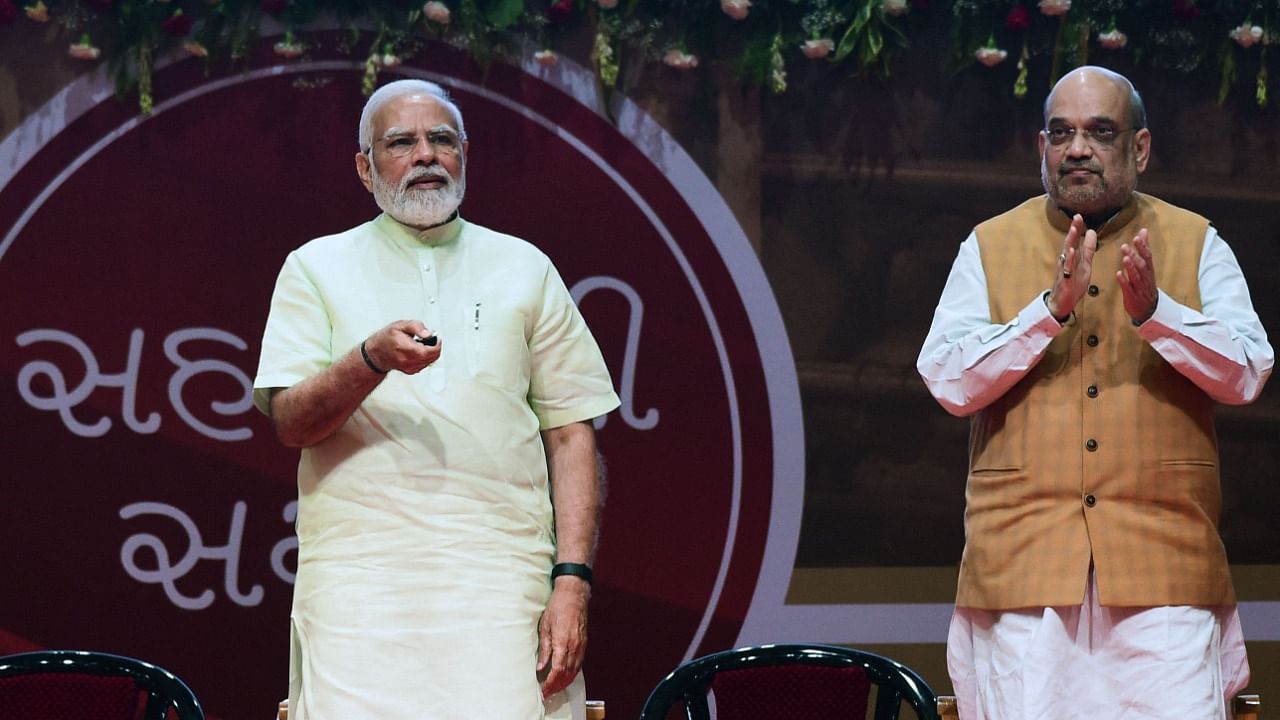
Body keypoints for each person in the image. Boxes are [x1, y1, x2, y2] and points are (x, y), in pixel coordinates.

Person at [253, 78, 620, 719]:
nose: (425, 155)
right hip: (358, 586)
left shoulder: (524, 266)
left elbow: (571, 434)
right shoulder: (314, 266)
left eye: (440, 139)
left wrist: (573, 584)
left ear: (464, 155)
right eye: (402, 142)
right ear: (366, 169)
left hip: (503, 583)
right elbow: (290, 421)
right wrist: (369, 360)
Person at [917, 66, 1273, 719]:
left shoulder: (1196, 242)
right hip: (1023, 576)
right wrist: (1048, 311)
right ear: (1042, 148)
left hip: (1162, 579)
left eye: (1099, 132)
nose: (1077, 147)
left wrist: (1158, 313)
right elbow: (946, 377)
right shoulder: (989, 245)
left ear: (1138, 148)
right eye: (1062, 133)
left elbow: (1248, 370)